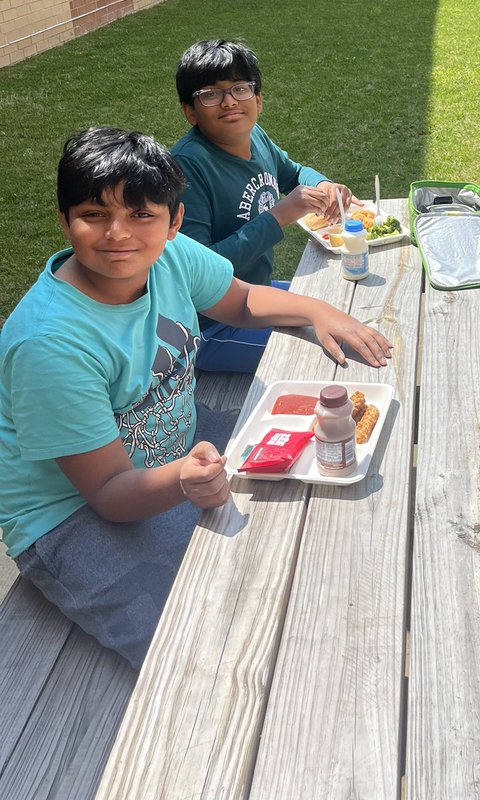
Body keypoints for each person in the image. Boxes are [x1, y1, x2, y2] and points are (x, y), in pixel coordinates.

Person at [0, 128, 390, 667]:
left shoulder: (170, 255)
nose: (119, 234)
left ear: (174, 221)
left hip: (175, 441)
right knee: (197, 647)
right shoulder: (50, 344)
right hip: (72, 513)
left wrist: (316, 311)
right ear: (65, 220)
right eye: (94, 214)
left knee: (318, 491)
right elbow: (110, 495)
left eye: (141, 215)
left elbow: (244, 303)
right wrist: (185, 479)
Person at [172, 38, 361, 372]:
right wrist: (279, 216)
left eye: (240, 89)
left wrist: (322, 184)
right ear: (190, 111)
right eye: (210, 94)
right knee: (333, 353)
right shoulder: (187, 168)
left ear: (258, 99)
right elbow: (197, 272)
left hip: (256, 296)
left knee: (348, 314)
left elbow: (293, 173)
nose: (229, 102)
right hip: (211, 328)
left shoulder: (255, 135)